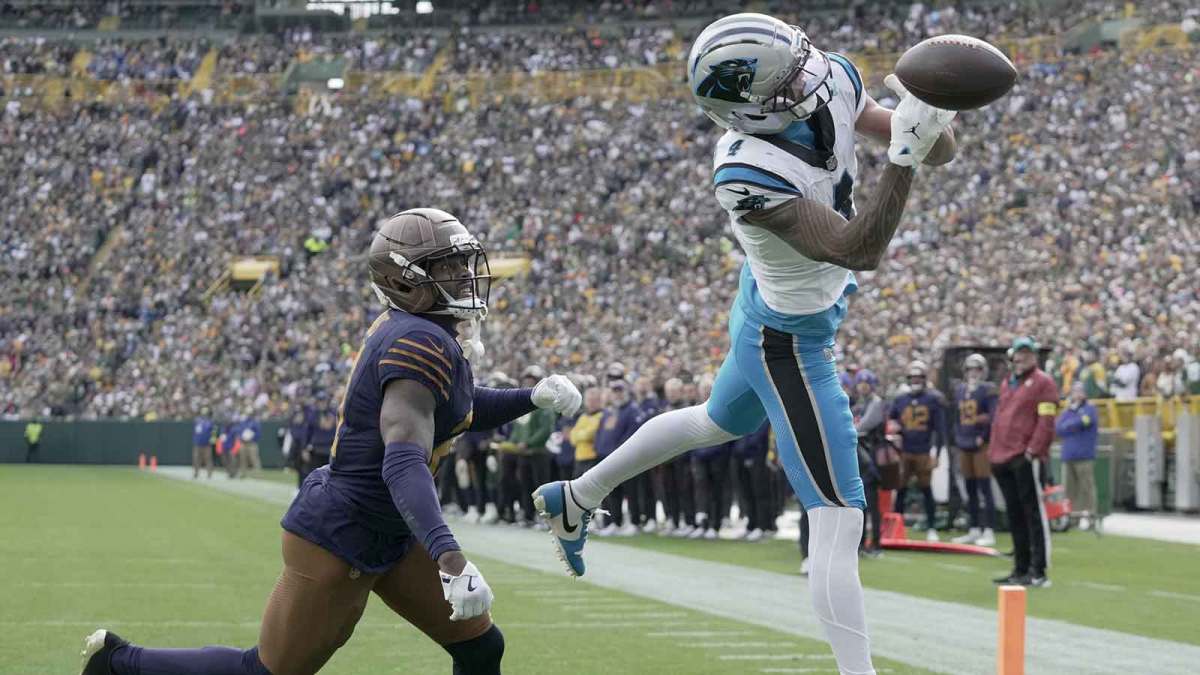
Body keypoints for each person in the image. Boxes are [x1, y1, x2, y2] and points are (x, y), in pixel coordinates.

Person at [532, 13, 957, 674]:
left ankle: (578, 493)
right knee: (840, 515)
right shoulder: (744, 170)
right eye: (787, 84)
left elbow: (933, 145)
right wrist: (903, 153)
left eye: (800, 64)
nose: (810, 82)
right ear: (743, 112)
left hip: (773, 306)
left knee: (712, 420)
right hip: (787, 339)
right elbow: (860, 247)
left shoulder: (833, 78)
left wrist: (928, 115)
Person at [81, 208, 581, 675]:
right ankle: (120, 662)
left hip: (390, 524)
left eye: (461, 263)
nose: (464, 276)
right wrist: (449, 557)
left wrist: (530, 397)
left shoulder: (422, 330)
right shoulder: (419, 340)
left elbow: (456, 408)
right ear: (406, 279)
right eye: (446, 266)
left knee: (480, 645)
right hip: (345, 532)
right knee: (268, 670)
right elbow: (403, 459)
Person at [989, 336, 1059, 588]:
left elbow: (1046, 421)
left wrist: (1033, 451)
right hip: (1003, 456)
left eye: (1027, 354)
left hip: (1024, 456)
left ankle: (1038, 570)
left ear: (1034, 356)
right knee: (1015, 514)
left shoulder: (1043, 382)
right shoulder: (1010, 382)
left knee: (1033, 514)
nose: (1022, 358)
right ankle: (1020, 568)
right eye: (1019, 354)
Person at [888, 360, 947, 540]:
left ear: (924, 379)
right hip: (904, 451)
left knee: (926, 490)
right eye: (913, 377)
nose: (915, 380)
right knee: (901, 490)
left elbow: (940, 428)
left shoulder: (932, 399)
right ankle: (896, 527)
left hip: (923, 450)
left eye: (919, 377)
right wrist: (895, 428)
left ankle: (931, 527)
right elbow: (891, 421)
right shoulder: (900, 399)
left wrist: (936, 453)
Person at [951, 353, 998, 546]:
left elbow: (993, 417)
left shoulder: (988, 390)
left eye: (977, 369)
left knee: (984, 487)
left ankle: (989, 530)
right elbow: (956, 417)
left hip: (981, 444)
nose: (973, 373)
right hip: (964, 442)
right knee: (969, 488)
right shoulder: (960, 390)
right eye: (970, 369)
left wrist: (984, 435)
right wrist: (958, 436)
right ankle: (974, 528)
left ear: (983, 371)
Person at [1056, 382, 1099, 531]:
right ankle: (1072, 519)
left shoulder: (1090, 408)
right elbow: (1058, 428)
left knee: (1087, 488)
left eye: (1080, 391)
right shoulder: (1068, 410)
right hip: (1069, 455)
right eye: (1075, 391)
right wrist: (1072, 423)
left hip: (1084, 454)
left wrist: (1070, 424)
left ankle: (1092, 519)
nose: (1077, 394)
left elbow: (1086, 421)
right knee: (1069, 490)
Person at [851, 370, 886, 556]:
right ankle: (862, 542)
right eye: (860, 383)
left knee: (872, 504)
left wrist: (850, 431)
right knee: (861, 504)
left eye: (866, 383)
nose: (863, 386)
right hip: (860, 457)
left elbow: (865, 425)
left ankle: (877, 544)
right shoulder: (859, 404)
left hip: (871, 457)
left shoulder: (876, 403)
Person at [191, 408, 215, 479]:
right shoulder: (197, 420)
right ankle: (196, 473)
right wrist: (195, 439)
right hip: (198, 443)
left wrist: (212, 440)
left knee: (208, 459)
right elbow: (195, 431)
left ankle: (209, 474)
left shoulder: (210, 421)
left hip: (207, 444)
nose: (204, 414)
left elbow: (214, 432)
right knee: (196, 458)